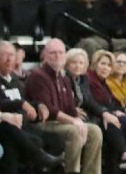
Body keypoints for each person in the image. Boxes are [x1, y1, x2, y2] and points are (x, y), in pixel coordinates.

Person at [0, 46, 63, 173]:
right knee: (7, 128)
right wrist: (1, 116)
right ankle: (38, 156)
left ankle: (39, 159)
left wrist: (5, 116)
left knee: (11, 141)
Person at [24, 38, 103, 174]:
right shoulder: (38, 76)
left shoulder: (64, 78)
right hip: (42, 123)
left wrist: (78, 121)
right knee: (74, 131)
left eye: (61, 52)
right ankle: (72, 171)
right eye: (53, 53)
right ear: (45, 55)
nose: (58, 56)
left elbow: (69, 107)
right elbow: (48, 108)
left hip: (60, 123)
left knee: (95, 131)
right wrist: (74, 122)